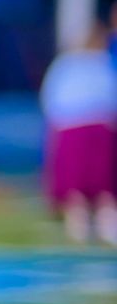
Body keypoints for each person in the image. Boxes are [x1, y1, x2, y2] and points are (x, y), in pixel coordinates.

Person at [38, 14, 117, 244]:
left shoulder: (68, 65)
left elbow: (51, 99)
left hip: (72, 128)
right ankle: (104, 226)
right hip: (98, 128)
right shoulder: (102, 65)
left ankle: (82, 228)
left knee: (79, 185)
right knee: (101, 184)